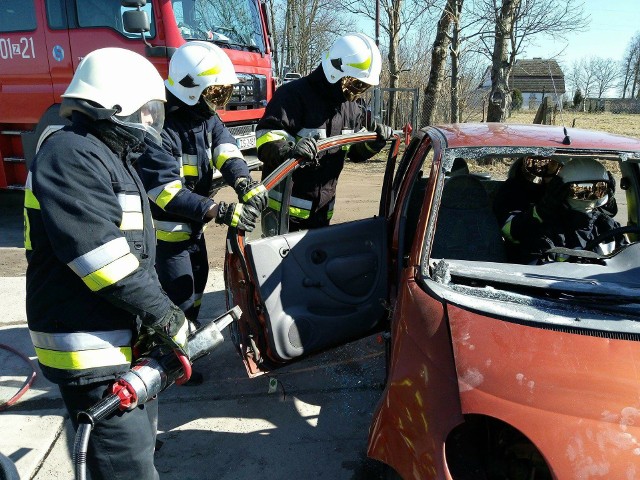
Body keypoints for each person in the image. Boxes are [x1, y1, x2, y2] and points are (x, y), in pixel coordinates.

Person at [24, 48, 188, 479]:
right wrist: (164, 314)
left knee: (137, 456)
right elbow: (103, 258)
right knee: (126, 470)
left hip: (114, 339)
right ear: (115, 106)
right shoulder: (71, 155)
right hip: (89, 352)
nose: (149, 123)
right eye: (145, 112)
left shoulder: (105, 155)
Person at [136, 42, 265, 362]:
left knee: (195, 292)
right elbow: (165, 192)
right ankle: (164, 362)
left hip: (193, 231)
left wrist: (243, 182)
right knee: (176, 298)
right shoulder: (159, 125)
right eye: (215, 92)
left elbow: (227, 150)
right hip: (166, 237)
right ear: (190, 87)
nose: (219, 102)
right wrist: (219, 210)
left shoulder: (205, 117)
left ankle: (182, 349)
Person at [255, 33, 394, 231]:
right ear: (335, 71)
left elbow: (354, 152)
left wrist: (372, 143)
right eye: (355, 84)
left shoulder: (351, 109)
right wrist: (289, 151)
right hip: (283, 216)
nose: (358, 92)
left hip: (322, 214)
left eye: (363, 86)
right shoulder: (293, 95)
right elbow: (266, 139)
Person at [502, 158, 625, 264]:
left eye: (597, 190)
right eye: (580, 191)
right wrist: (541, 211)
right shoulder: (547, 230)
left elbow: (630, 262)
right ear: (562, 190)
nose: (588, 197)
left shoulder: (609, 227)